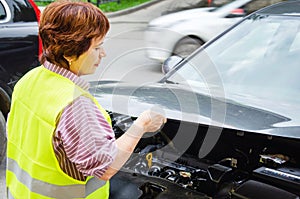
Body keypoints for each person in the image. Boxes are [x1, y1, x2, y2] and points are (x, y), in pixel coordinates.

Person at [6, 1, 166, 198]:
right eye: (97, 47)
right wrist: (141, 125)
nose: (103, 54)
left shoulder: (28, 80)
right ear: (69, 53)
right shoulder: (75, 105)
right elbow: (106, 167)